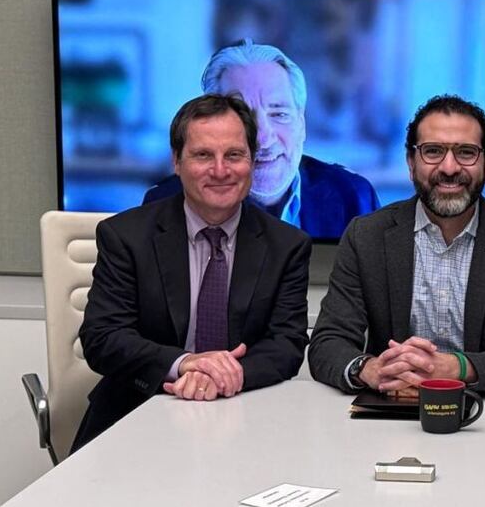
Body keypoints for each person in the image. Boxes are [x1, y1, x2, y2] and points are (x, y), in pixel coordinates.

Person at [72, 95, 313, 452]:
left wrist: (226, 375)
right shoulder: (125, 236)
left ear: (252, 160)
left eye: (234, 155)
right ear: (176, 161)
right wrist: (185, 364)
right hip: (135, 415)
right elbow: (103, 338)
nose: (220, 170)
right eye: (203, 155)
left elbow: (287, 345)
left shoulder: (287, 245)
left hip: (247, 418)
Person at [308, 95, 485, 395]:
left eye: (466, 152)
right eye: (433, 151)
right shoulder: (366, 236)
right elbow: (327, 343)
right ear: (411, 163)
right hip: (390, 403)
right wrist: (372, 370)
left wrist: (454, 368)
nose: (449, 168)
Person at [144, 39, 380, 239]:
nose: (263, 139)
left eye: (279, 114)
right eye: (241, 116)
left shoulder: (354, 197)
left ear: (301, 125)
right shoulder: (165, 206)